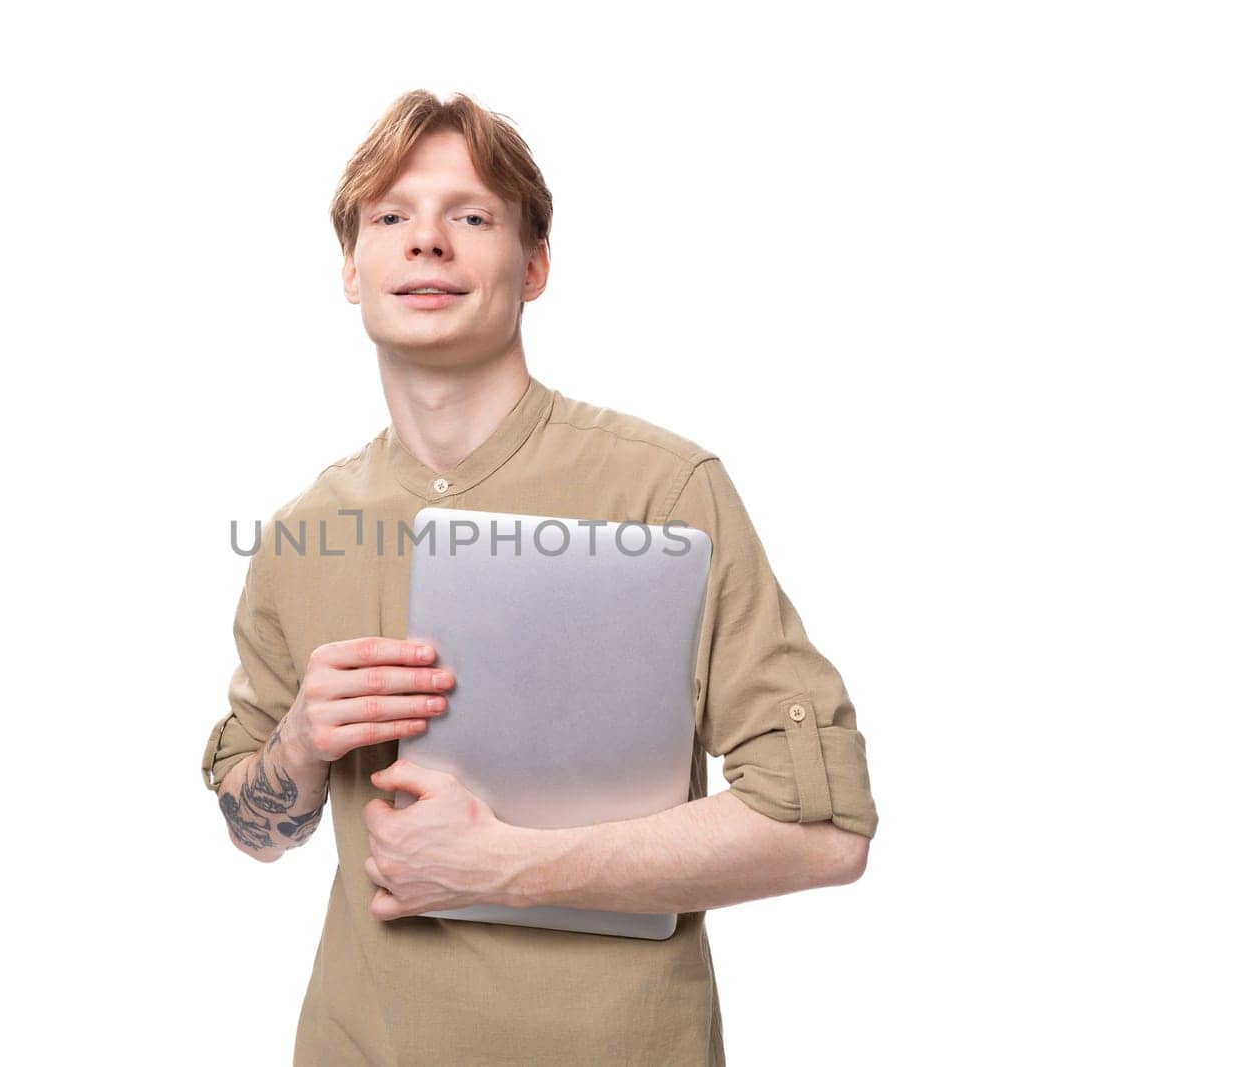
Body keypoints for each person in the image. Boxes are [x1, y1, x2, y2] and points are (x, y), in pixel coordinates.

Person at [202, 89, 879, 1066]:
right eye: (390, 217)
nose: (425, 241)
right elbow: (255, 826)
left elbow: (823, 830)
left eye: (468, 215)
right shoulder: (304, 529)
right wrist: (299, 743)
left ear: (533, 264)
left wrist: (511, 865)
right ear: (351, 268)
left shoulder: (667, 486)